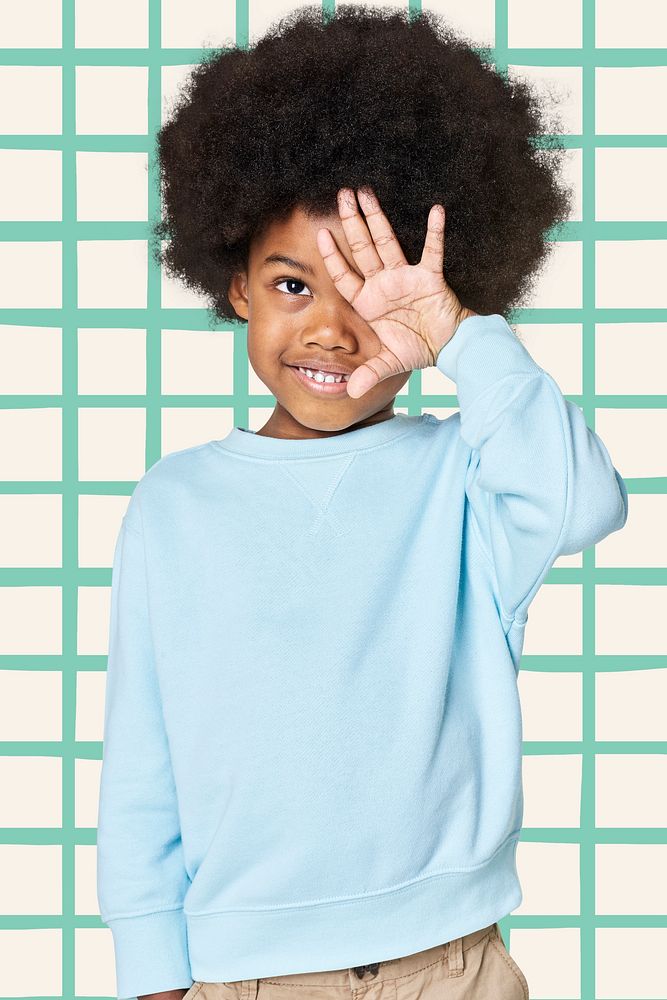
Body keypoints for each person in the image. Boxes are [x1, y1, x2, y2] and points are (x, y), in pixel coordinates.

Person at [96, 7, 628, 1000]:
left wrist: (458, 335)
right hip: (247, 973)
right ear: (237, 283)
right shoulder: (174, 506)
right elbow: (143, 757)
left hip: (452, 961)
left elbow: (582, 503)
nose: (332, 332)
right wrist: (150, 969)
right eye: (294, 283)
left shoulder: (468, 479)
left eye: (371, 294)